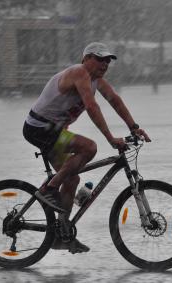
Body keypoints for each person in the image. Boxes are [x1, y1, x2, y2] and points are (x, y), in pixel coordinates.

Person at [23, 42, 151, 253]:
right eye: (100, 59)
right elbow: (91, 106)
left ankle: (61, 235)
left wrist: (134, 127)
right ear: (86, 58)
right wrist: (110, 137)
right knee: (89, 147)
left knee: (72, 178)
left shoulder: (96, 80)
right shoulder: (78, 72)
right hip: (39, 128)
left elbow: (115, 101)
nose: (105, 64)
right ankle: (49, 190)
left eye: (108, 60)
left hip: (52, 132)